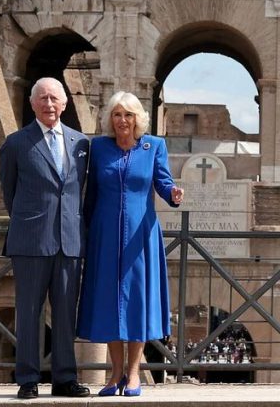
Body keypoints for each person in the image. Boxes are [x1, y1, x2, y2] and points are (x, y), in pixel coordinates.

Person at [77, 92, 184, 397]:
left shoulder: (154, 147)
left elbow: (163, 182)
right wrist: (85, 232)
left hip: (141, 235)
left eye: (128, 115)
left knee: (136, 300)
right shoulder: (98, 147)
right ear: (110, 119)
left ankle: (134, 373)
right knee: (110, 300)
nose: (122, 120)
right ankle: (115, 374)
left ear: (138, 119)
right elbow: (90, 194)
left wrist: (172, 193)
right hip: (104, 234)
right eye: (117, 115)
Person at [0, 78, 91, 400]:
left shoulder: (81, 144)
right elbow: (9, 194)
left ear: (64, 104)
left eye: (54, 99)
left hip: (70, 241)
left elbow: (82, 193)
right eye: (43, 99)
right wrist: (31, 222)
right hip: (30, 241)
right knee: (28, 313)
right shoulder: (16, 143)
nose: (49, 104)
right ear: (32, 103)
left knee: (66, 313)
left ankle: (66, 378)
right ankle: (27, 378)